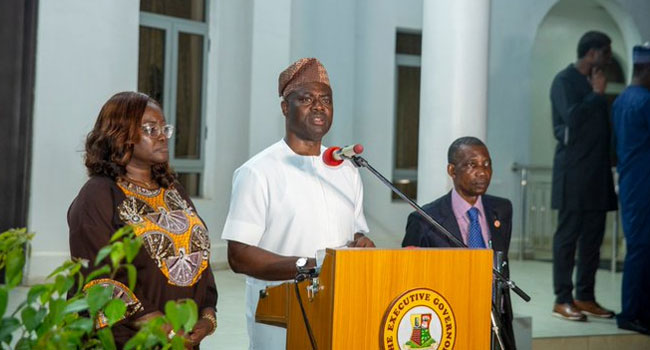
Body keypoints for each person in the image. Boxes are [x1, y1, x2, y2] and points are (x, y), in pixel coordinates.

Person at [221, 58, 375, 349]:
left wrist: (361, 242)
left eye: (326, 100)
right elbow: (239, 256)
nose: (319, 106)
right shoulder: (258, 172)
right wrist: (310, 266)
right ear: (284, 107)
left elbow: (355, 233)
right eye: (306, 98)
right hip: (282, 317)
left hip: (341, 308)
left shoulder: (346, 168)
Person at [68, 91, 218, 348]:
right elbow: (98, 278)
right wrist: (162, 326)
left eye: (164, 128)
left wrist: (206, 315)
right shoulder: (99, 194)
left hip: (183, 337)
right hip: (128, 340)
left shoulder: (173, 190)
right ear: (120, 134)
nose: (162, 135)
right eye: (150, 129)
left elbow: (198, 253)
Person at [402, 136, 516, 350]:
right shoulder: (425, 219)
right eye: (472, 165)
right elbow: (409, 278)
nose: (482, 172)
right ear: (452, 170)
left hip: (496, 322)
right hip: (448, 320)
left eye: (487, 164)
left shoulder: (502, 209)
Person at [549, 31, 617, 321]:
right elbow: (572, 123)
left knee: (592, 240)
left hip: (597, 176)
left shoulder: (596, 84)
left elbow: (604, 129)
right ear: (591, 53)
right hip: (574, 175)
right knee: (568, 239)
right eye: (605, 53)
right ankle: (562, 298)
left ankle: (585, 296)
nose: (609, 59)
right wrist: (595, 95)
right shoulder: (564, 81)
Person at [612, 44, 650, 336]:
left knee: (639, 248)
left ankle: (637, 310)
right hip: (643, 185)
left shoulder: (622, 100)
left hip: (631, 183)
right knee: (641, 249)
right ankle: (632, 313)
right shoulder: (645, 101)